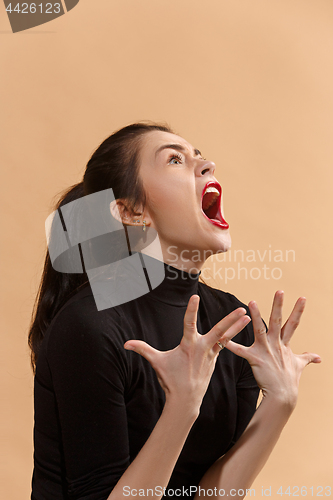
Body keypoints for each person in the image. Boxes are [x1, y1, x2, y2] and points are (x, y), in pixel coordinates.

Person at [29, 122, 321, 500]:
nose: (206, 164)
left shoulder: (233, 326)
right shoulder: (91, 326)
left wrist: (281, 402)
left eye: (199, 155)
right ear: (132, 212)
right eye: (175, 160)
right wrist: (182, 406)